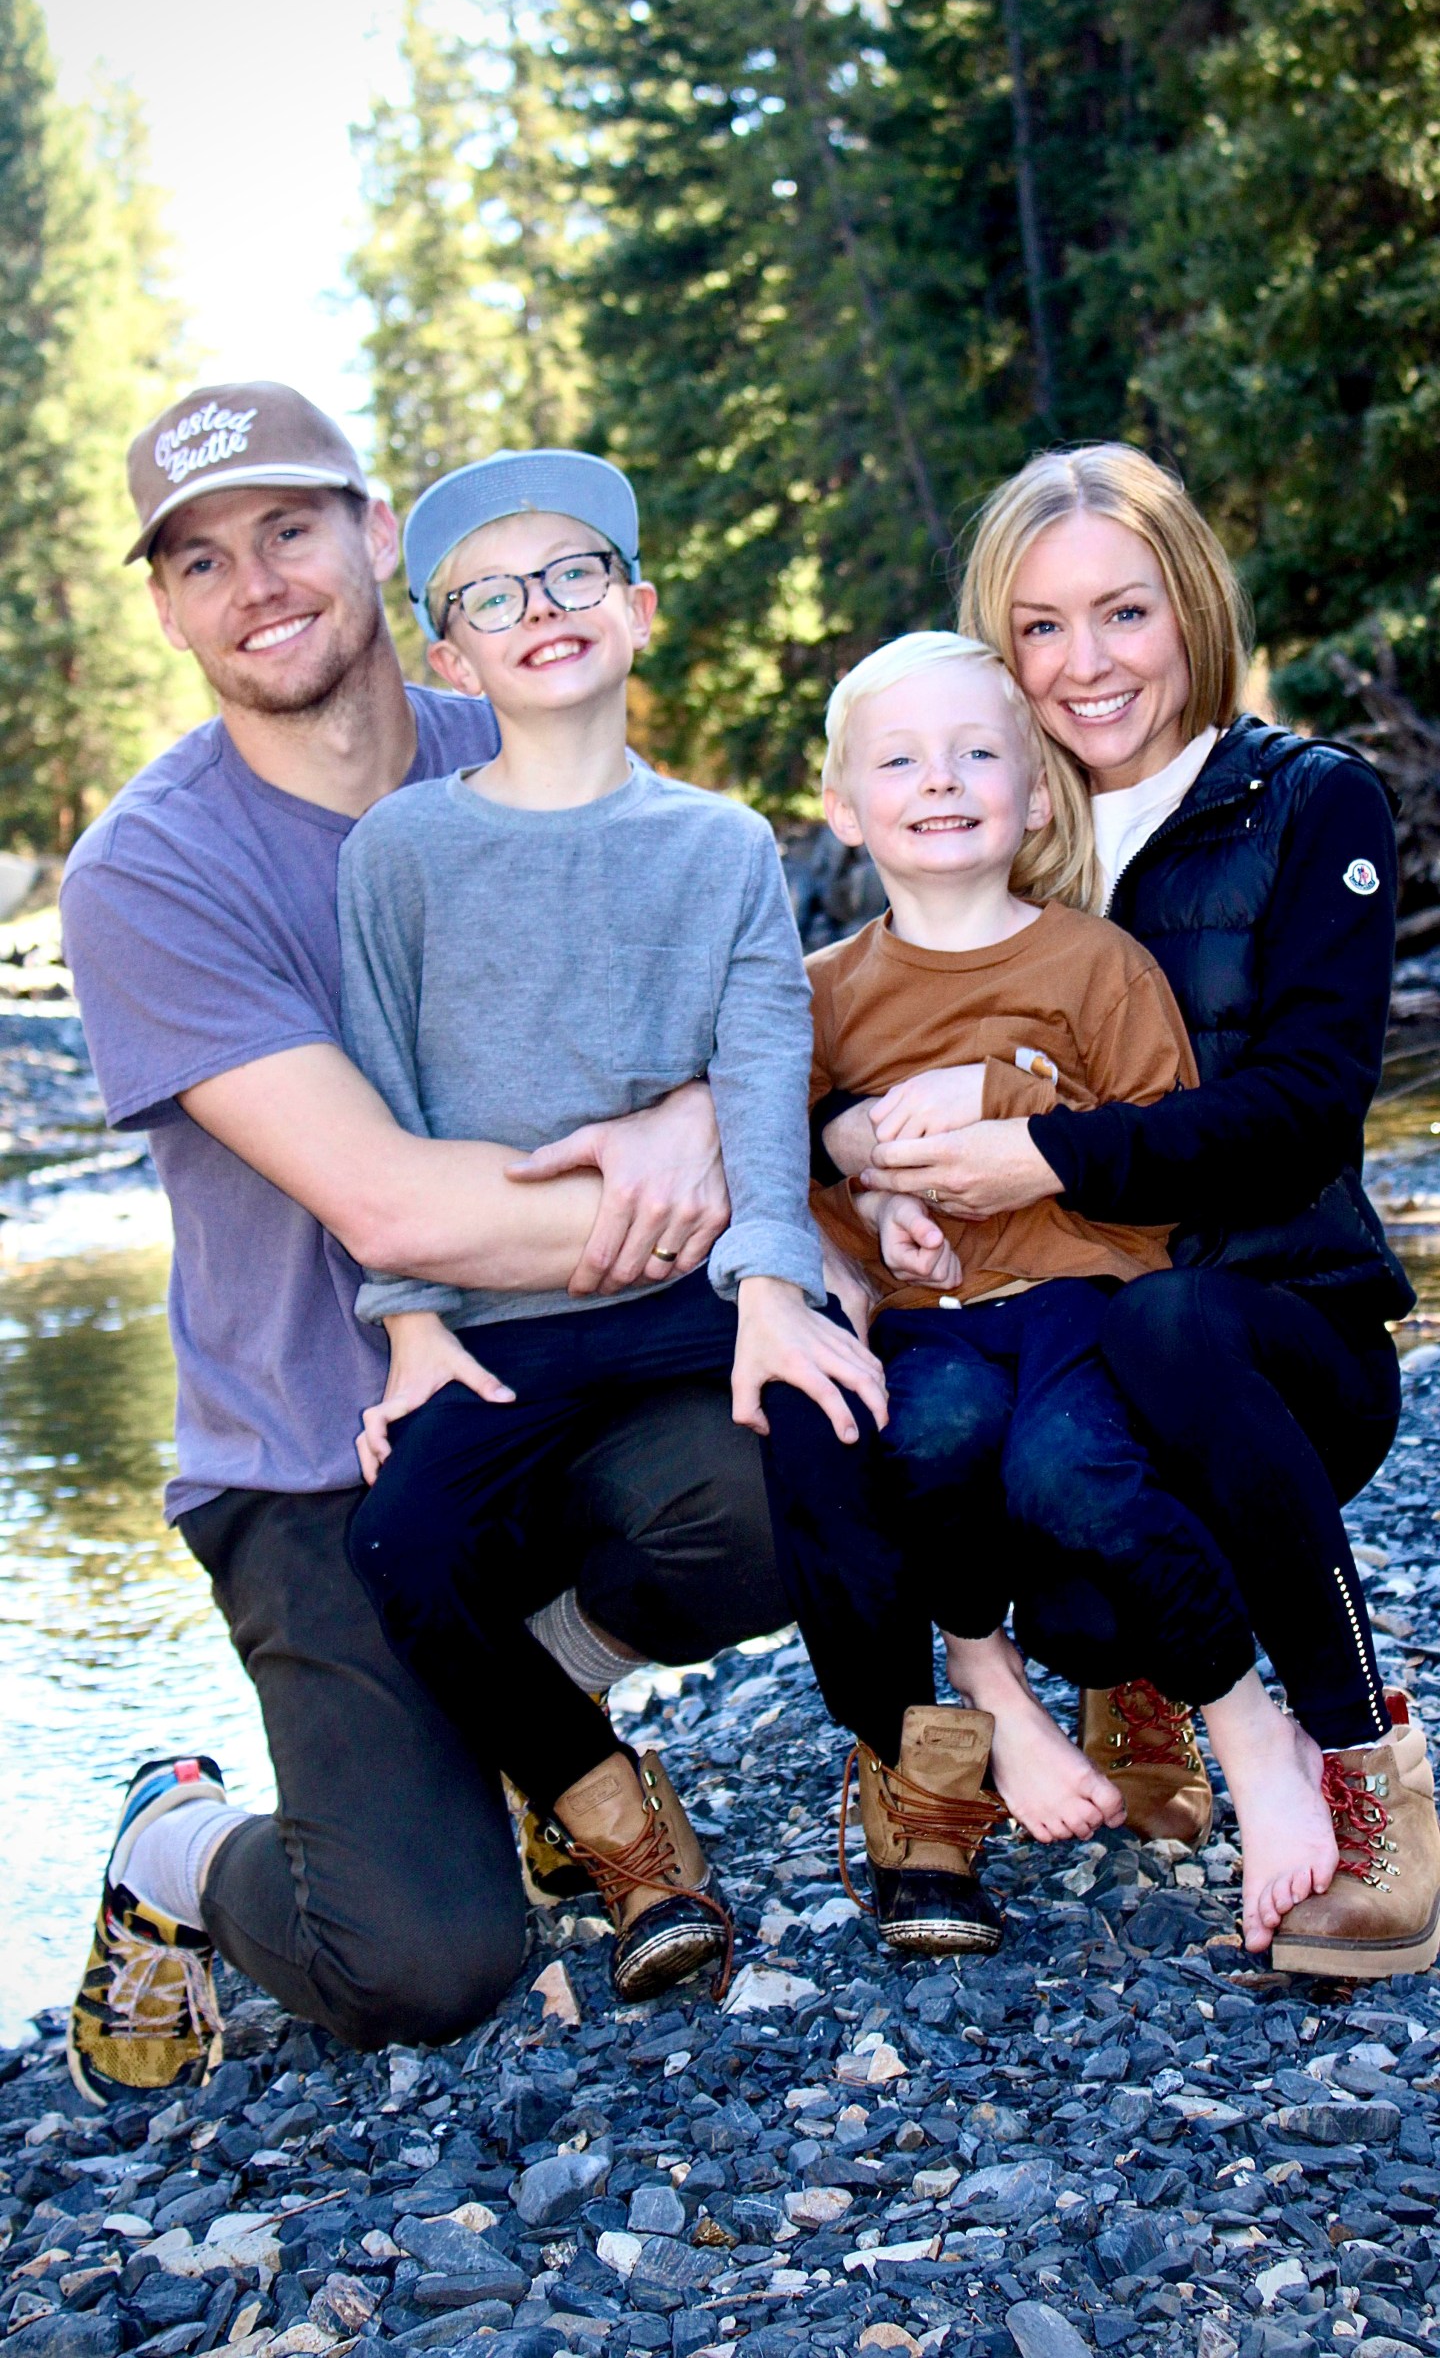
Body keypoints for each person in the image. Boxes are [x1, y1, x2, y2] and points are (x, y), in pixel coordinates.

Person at [58, 385, 792, 2101]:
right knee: (425, 1965)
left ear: (381, 537)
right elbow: (390, 1206)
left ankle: (534, 1699)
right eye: (202, 558)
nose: (258, 583)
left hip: (557, 1382)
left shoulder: (520, 728)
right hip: (316, 1453)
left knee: (787, 1464)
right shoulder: (151, 874)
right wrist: (716, 1178)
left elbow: (742, 980)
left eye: (291, 528)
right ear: (168, 607)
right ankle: (172, 1843)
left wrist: (709, 1117)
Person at [822, 444, 1440, 1980]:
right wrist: (856, 1146)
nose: (1085, 664)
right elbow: (855, 1052)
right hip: (1053, 1337)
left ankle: (1374, 1776)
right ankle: (1106, 1683)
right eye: (1039, 628)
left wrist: (1042, 1153)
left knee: (1168, 1332)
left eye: (1124, 614)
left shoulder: (1314, 806)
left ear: (1193, 613)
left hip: (1276, 1334)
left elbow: (1300, 1110)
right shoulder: (993, 814)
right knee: (1050, 1535)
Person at [335, 449, 883, 2004]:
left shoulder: (716, 844)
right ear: (454, 657)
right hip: (505, 1315)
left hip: (683, 1286)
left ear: (636, 611)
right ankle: (616, 1824)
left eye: (574, 574)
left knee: (833, 1407)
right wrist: (414, 1326)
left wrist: (777, 1281)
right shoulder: (402, 855)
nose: (541, 609)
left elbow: (764, 1059)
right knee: (403, 1541)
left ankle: (915, 1787)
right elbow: (380, 1086)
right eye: (491, 597)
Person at [764, 628, 1343, 1959]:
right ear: (845, 808)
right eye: (900, 760)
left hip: (1088, 1300)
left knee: (1074, 1478)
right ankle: (990, 1681)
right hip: (932, 1323)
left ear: (1034, 793)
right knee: (931, 1443)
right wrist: (872, 1217)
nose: (943, 780)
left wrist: (1007, 1097)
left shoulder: (1093, 965)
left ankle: (1251, 1735)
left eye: (979, 754)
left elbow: (1164, 1149)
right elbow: (779, 1168)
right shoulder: (821, 996)